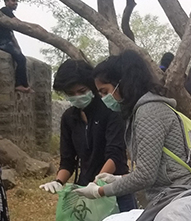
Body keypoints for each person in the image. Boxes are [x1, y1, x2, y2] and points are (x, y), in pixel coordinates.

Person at [76, 51, 191, 221]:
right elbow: (153, 169)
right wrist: (119, 178)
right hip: (169, 197)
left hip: (177, 199)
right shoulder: (143, 111)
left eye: (105, 91)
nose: (104, 98)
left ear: (122, 83)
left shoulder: (149, 112)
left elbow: (145, 176)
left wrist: (101, 191)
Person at [41, 59, 133, 211]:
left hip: (114, 188)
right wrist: (58, 181)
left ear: (92, 87)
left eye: (82, 91)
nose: (77, 96)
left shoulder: (111, 111)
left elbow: (115, 155)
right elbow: (68, 160)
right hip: (84, 190)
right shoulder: (69, 118)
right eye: (71, 94)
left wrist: (97, 185)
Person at [0, 0, 31, 92]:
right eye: (13, 1)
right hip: (0, 42)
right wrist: (29, 26)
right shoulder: (4, 11)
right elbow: (17, 22)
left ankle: (25, 85)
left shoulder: (7, 16)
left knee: (21, 58)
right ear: (7, 2)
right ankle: (19, 85)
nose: (15, 3)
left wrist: (18, 48)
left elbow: (11, 35)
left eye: (16, 1)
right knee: (21, 59)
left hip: (6, 41)